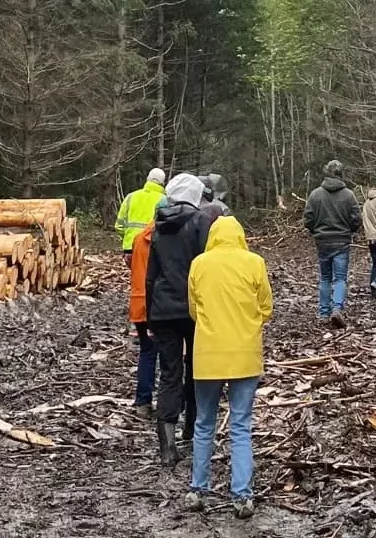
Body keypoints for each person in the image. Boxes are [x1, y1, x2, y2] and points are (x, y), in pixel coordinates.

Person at [186, 216, 274, 518]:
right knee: (240, 426)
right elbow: (266, 307)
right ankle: (242, 495)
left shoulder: (199, 264)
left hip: (207, 356)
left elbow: (193, 309)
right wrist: (248, 324)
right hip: (245, 356)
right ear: (240, 236)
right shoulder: (254, 263)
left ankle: (198, 489)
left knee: (203, 424)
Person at [146, 173, 210, 464]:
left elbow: (151, 276)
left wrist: (150, 317)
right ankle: (193, 430)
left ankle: (167, 446)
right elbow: (207, 268)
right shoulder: (201, 223)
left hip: (163, 309)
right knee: (198, 370)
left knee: (169, 373)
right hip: (195, 309)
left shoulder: (158, 225)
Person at [303, 160, 361, 326]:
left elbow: (308, 219)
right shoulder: (349, 195)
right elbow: (357, 219)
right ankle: (337, 308)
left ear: (326, 172)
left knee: (325, 278)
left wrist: (316, 231)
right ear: (341, 173)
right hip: (342, 240)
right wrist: (349, 230)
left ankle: (324, 312)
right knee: (340, 278)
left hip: (323, 241)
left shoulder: (315, 195)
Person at [127, 216, 159, 417]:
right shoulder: (167, 239)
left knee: (147, 352)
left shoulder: (139, 238)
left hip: (139, 303)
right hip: (159, 304)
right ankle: (168, 403)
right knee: (169, 356)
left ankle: (143, 401)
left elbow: (133, 266)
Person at [116, 168, 166, 256]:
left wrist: (128, 237)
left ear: (147, 179)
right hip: (151, 247)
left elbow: (119, 226)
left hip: (130, 247)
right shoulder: (164, 200)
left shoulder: (131, 196)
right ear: (163, 183)